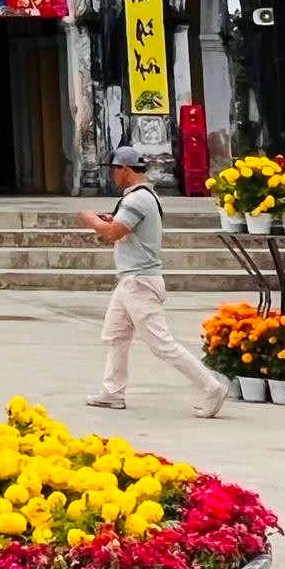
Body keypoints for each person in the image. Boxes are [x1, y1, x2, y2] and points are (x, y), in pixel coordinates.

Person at [80, 144, 226, 417]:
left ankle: (211, 387)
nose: (112, 175)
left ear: (125, 169)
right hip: (129, 280)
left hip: (140, 281)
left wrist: (92, 221)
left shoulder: (137, 199)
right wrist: (113, 221)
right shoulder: (142, 197)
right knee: (115, 335)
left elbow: (112, 233)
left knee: (162, 344)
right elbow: (125, 227)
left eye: (114, 169)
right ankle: (112, 392)